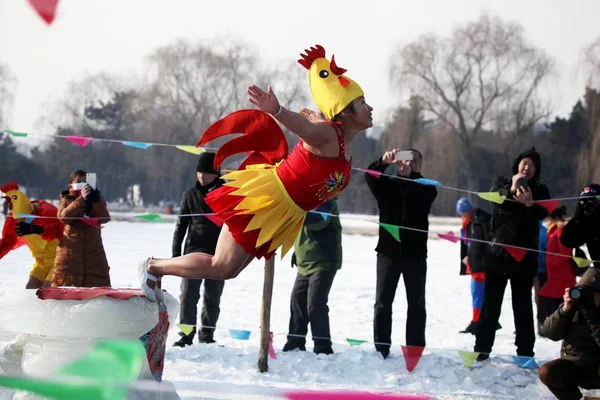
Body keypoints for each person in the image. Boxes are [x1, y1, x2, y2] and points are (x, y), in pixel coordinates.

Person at [138, 44, 373, 301]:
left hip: (285, 212)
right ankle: (153, 266)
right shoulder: (328, 134)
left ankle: (155, 267)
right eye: (362, 103)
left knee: (228, 270)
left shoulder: (343, 145)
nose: (370, 108)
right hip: (267, 200)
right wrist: (277, 110)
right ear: (345, 111)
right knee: (221, 266)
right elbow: (303, 127)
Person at [474, 147, 550, 361]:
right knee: (490, 304)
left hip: (524, 258)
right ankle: (481, 349)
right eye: (524, 163)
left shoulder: (541, 190)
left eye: (532, 165)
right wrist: (512, 188)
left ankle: (525, 353)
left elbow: (544, 212)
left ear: (536, 170)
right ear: (517, 165)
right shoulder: (500, 182)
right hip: (497, 255)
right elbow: (493, 199)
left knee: (523, 307)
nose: (527, 167)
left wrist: (530, 204)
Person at [365, 148, 437, 358]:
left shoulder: (427, 188)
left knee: (416, 303)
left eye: (412, 162)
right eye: (403, 161)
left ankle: (414, 348)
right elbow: (370, 176)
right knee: (383, 302)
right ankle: (381, 347)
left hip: (415, 255)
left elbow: (424, 195)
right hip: (388, 252)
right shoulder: (386, 185)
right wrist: (382, 162)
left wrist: (412, 175)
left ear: (418, 166)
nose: (406, 165)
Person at [172, 152, 225, 347]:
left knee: (212, 297)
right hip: (192, 252)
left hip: (218, 254)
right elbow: (181, 226)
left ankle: (207, 336)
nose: (201, 176)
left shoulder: (227, 192)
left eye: (206, 173)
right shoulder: (190, 194)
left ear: (216, 173)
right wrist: (176, 256)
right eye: (199, 172)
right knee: (187, 297)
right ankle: (186, 335)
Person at [282, 198, 342, 355]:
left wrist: (295, 213)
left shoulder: (327, 202)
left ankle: (323, 346)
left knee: (315, 304)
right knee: (297, 301)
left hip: (323, 261)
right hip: (304, 261)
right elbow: (301, 231)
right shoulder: (302, 199)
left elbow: (318, 222)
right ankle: (295, 342)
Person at [538, 267, 600, 400]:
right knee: (547, 372)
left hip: (597, 366)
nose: (589, 297)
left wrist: (592, 317)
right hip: (577, 364)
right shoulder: (573, 307)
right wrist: (564, 310)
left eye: (593, 293)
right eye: (586, 292)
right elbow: (550, 333)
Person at [52, 170, 111, 287]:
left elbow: (104, 218)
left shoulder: (97, 199)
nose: (83, 184)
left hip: (94, 254)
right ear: (71, 185)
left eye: (85, 182)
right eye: (79, 182)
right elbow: (63, 217)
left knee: (97, 289)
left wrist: (95, 201)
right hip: (70, 254)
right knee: (66, 286)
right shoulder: (66, 199)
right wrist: (81, 200)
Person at [0, 181, 63, 288]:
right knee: (30, 289)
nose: (21, 221)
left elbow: (52, 232)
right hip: (41, 262)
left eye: (25, 218)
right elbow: (7, 241)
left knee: (47, 290)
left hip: (60, 259)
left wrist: (35, 229)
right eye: (19, 219)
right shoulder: (13, 218)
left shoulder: (48, 211)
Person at [455, 198, 501, 334]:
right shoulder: (471, 222)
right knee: (477, 294)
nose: (461, 217)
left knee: (478, 295)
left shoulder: (481, 221)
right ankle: (481, 321)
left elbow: (486, 243)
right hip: (475, 264)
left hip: (481, 265)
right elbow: (469, 243)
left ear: (468, 211)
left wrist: (472, 257)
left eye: (462, 213)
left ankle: (478, 323)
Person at [539, 206, 578, 320]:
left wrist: (550, 259)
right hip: (556, 276)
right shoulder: (554, 230)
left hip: (561, 277)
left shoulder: (560, 231)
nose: (546, 221)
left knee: (555, 306)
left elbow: (565, 252)